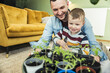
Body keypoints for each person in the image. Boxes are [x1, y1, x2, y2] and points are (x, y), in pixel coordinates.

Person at [29, 0, 107, 61]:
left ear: (67, 4)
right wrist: (37, 50)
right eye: (55, 9)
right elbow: (44, 40)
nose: (59, 13)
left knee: (102, 54)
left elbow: (93, 43)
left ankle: (104, 48)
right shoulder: (51, 21)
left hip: (78, 53)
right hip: (61, 54)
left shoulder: (85, 22)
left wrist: (96, 57)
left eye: (62, 7)